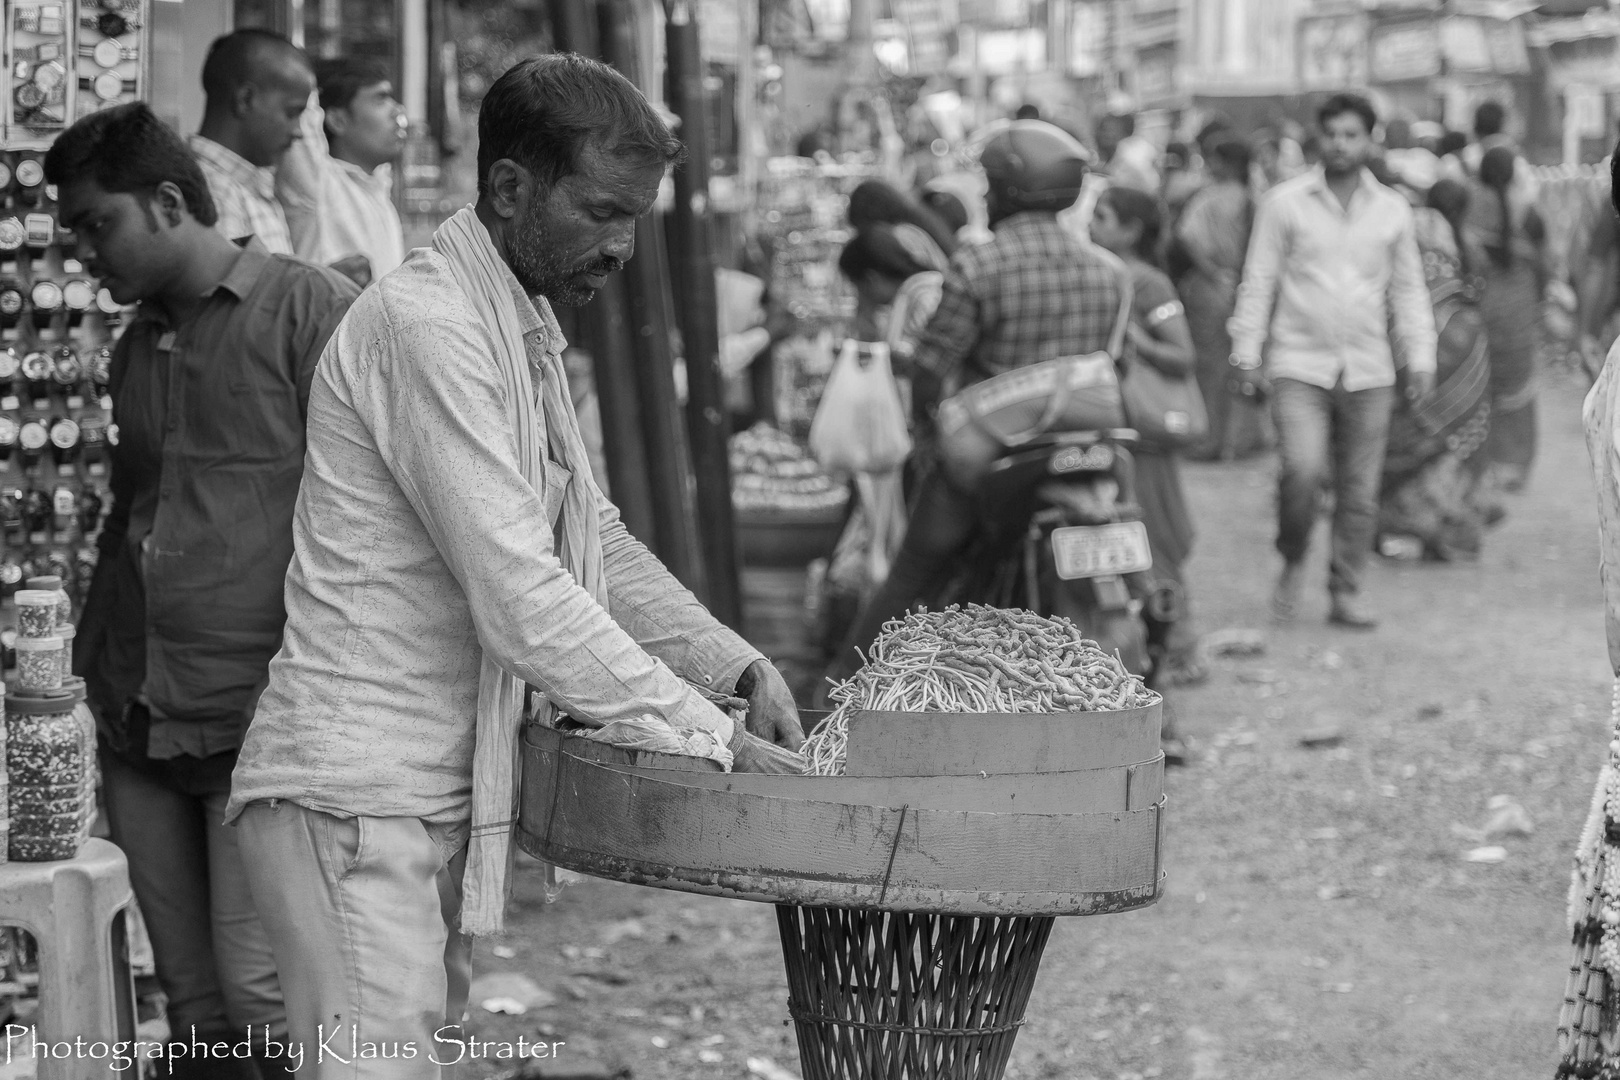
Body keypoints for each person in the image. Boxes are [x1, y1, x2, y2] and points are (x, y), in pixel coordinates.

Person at [225, 55, 805, 1075]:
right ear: (507, 191)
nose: (623, 246)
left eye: (637, 219)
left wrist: (733, 669)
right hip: (355, 797)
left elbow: (594, 542)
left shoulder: (514, 322)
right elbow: (525, 599)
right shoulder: (432, 325)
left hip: (409, 799)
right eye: (601, 212)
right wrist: (711, 736)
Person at [48, 103, 359, 1080]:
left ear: (169, 201)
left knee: (263, 997)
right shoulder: (137, 345)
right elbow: (134, 511)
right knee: (191, 1006)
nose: (86, 254)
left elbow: (369, 522)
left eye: (98, 225)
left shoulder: (311, 311)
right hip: (136, 708)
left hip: (258, 727)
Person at [827, 120, 1127, 681]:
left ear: (1012, 189)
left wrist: (923, 431)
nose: (985, 195)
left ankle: (837, 694)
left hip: (994, 456)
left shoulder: (981, 264)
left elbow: (934, 365)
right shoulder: (1107, 271)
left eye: (991, 183)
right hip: (1085, 451)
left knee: (913, 570)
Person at [1228, 93, 1437, 630]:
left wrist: (1421, 357)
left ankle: (1345, 589)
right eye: (1333, 134)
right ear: (1318, 138)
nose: (1341, 145)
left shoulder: (1392, 210)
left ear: (1369, 140)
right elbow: (1260, 280)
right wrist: (1246, 352)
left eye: (1352, 135)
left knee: (1360, 491)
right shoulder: (1285, 203)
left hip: (1369, 369)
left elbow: (1410, 291)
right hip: (1299, 364)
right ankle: (1293, 555)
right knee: (1302, 471)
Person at [1088, 185, 1205, 736]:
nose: (1093, 223)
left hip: (1144, 441)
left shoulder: (1148, 282)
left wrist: (1134, 337)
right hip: (1106, 433)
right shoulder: (1093, 271)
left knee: (1154, 550)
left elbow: (1184, 355)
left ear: (1133, 228)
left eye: (1104, 216)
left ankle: (1172, 656)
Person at [1378, 178, 1499, 561]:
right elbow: (1479, 292)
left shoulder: (1409, 227)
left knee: (1410, 440)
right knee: (1457, 441)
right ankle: (1449, 533)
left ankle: (1399, 524)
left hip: (1414, 345)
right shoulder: (1468, 242)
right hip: (1464, 346)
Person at [277, 56, 408, 285]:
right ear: (337, 120)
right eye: (380, 100)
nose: (397, 111)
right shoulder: (318, 186)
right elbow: (303, 103)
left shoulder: (378, 195)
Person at [1175, 135, 1262, 460]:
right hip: (1249, 288)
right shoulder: (1257, 198)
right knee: (1246, 363)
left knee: (1210, 367)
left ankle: (1209, 439)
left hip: (1213, 288)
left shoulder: (1208, 198)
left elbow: (1186, 236)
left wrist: (1210, 270)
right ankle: (1242, 439)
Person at [189, 29, 314, 255]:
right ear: (245, 100)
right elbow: (234, 290)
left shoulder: (248, 186)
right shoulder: (214, 192)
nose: (298, 131)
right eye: (292, 113)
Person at [1468, 144, 1547, 492]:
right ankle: (1516, 466)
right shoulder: (1528, 211)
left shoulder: (1468, 210)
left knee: (1483, 390)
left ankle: (1485, 467)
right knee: (1521, 390)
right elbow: (1546, 263)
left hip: (1481, 311)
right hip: (1519, 311)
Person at [1096, 111, 1159, 193]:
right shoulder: (1107, 155)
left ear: (1123, 132)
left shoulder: (1131, 157)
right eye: (1101, 129)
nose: (1103, 134)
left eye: (1108, 130)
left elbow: (1150, 185)